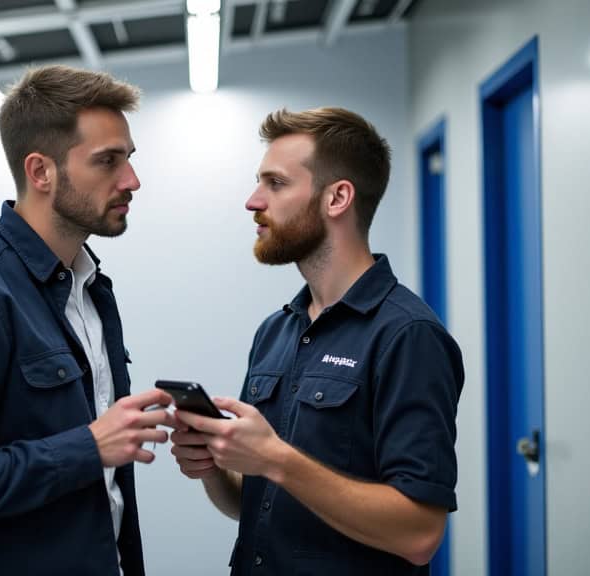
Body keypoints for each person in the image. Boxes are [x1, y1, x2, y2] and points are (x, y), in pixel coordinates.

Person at [0, 65, 174, 576]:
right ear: (41, 172)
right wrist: (88, 447)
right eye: (107, 162)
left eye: (128, 159)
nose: (132, 180)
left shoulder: (92, 290)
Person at [169, 107, 464, 575]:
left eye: (276, 183)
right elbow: (257, 498)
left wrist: (277, 459)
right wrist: (214, 468)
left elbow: (419, 534)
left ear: (337, 198)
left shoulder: (407, 336)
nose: (252, 201)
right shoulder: (276, 330)